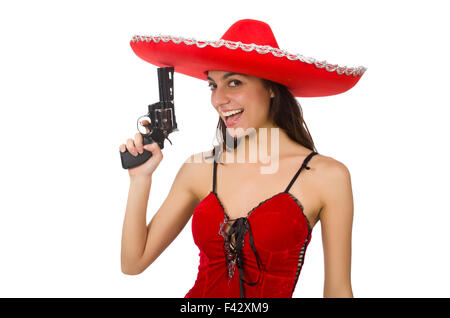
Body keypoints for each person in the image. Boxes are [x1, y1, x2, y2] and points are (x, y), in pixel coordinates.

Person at [119, 19, 366, 298]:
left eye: (234, 83)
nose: (219, 100)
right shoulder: (199, 169)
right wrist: (140, 179)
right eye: (213, 85)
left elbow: (338, 290)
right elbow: (133, 262)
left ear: (271, 87)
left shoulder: (327, 177)